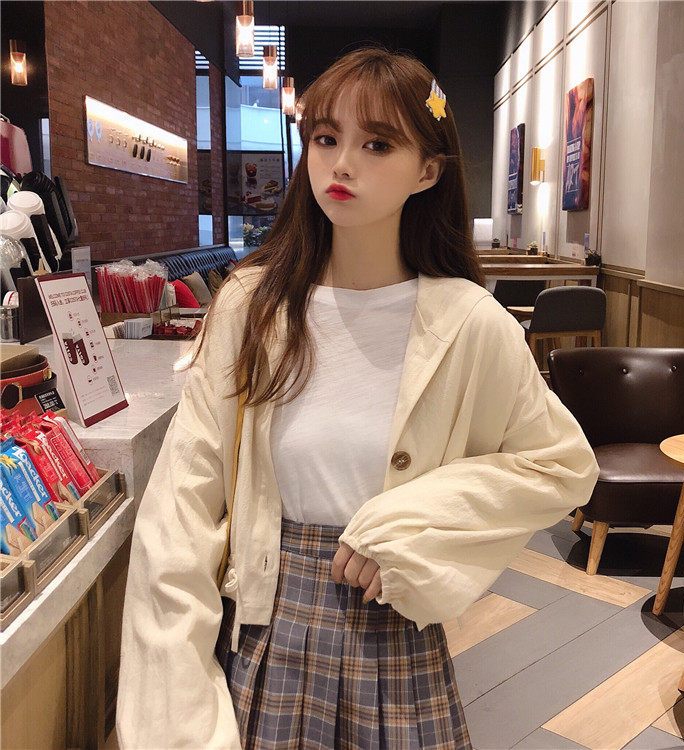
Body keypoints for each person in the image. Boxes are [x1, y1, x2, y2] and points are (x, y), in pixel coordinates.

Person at [116, 46, 599, 749]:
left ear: (428, 171)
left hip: (394, 641)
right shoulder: (252, 307)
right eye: (325, 138)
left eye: (377, 144)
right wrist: (175, 714)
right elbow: (180, 511)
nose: (342, 164)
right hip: (267, 633)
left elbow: (561, 466)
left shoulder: (469, 323)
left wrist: (409, 527)